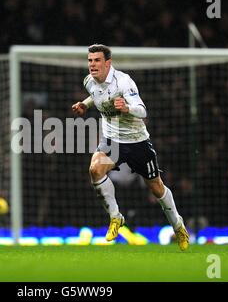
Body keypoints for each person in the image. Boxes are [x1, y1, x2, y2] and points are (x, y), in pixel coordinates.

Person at [72, 44, 189, 251]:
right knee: (94, 170)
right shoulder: (89, 82)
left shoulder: (124, 82)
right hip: (112, 141)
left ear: (108, 63)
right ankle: (116, 217)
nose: (92, 64)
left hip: (137, 142)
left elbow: (143, 110)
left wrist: (127, 107)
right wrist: (85, 104)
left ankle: (178, 226)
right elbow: (98, 94)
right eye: (90, 60)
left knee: (156, 187)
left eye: (97, 60)